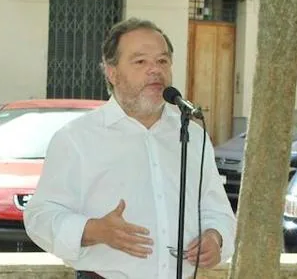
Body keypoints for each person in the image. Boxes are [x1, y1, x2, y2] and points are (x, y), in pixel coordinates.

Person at [23, 18, 236, 279]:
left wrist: (215, 238)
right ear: (112, 73)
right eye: (140, 62)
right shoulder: (77, 138)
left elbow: (218, 212)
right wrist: (94, 230)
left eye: (162, 61)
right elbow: (39, 217)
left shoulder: (192, 135)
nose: (155, 70)